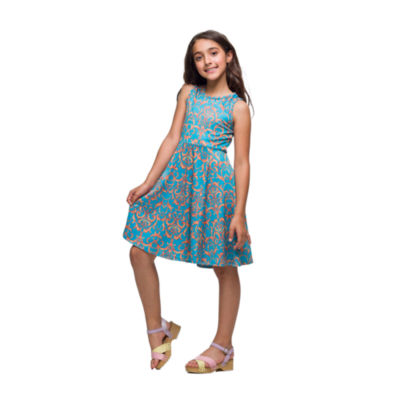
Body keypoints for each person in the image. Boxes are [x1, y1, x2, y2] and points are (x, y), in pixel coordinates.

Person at [122, 29, 254, 373]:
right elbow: (172, 138)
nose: (207, 61)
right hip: (178, 181)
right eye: (198, 56)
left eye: (213, 53)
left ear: (228, 55)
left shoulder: (238, 108)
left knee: (224, 265)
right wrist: (148, 182)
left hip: (215, 188)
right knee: (139, 252)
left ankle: (223, 347)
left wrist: (239, 213)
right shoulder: (188, 93)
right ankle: (158, 329)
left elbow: (242, 163)